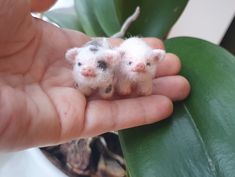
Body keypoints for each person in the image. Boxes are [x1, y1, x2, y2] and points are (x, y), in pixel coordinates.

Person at [0, 0, 190, 151]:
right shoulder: (94, 65)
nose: (86, 70)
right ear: (74, 59)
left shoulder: (112, 68)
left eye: (147, 64)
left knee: (118, 86)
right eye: (80, 65)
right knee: (107, 85)